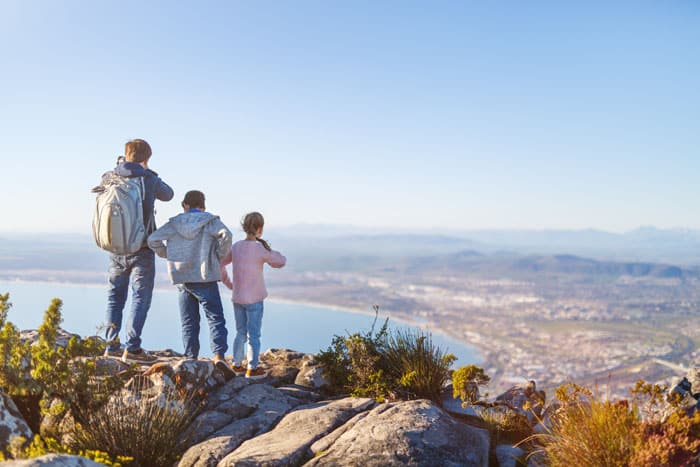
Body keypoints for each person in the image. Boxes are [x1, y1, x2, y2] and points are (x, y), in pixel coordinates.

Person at [95, 139, 174, 362]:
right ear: (146, 158)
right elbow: (169, 194)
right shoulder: (148, 178)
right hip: (142, 247)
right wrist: (149, 171)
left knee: (114, 297)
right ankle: (133, 348)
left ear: (125, 154)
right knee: (140, 297)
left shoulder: (109, 176)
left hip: (116, 248)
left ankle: (111, 346)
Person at [148, 190, 233, 374]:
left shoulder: (174, 223)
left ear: (184, 205)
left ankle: (190, 358)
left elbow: (153, 239)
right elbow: (227, 235)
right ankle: (218, 356)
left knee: (189, 321)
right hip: (205, 276)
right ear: (203, 206)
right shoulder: (209, 221)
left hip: (182, 277)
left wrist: (168, 254)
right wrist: (217, 255)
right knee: (215, 317)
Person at [220, 212, 286, 379]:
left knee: (240, 332)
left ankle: (236, 365)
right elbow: (280, 261)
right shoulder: (260, 249)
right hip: (254, 300)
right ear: (260, 229)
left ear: (244, 228)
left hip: (238, 298)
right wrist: (269, 251)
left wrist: (230, 285)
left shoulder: (236, 247)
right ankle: (252, 368)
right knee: (254, 335)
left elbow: (221, 265)